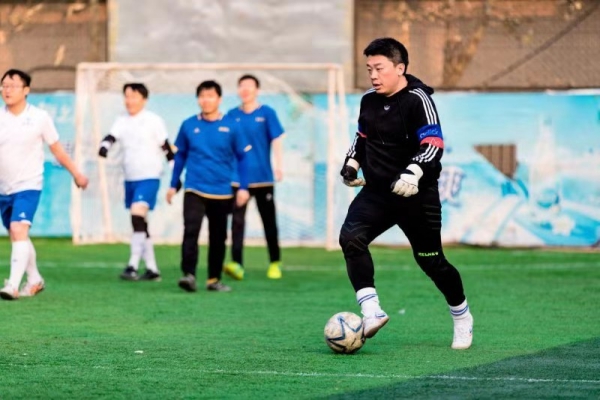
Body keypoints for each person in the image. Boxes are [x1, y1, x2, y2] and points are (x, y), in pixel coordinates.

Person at [339, 38, 474, 349]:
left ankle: (462, 315)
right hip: (377, 193)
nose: (373, 75)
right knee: (351, 238)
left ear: (399, 68)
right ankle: (371, 311)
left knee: (431, 261)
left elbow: (433, 144)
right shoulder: (368, 101)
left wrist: (413, 173)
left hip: (417, 196)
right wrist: (351, 164)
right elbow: (361, 138)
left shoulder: (418, 99)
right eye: (369, 69)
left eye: (379, 68)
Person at [0, 69, 89, 300]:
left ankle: (13, 285)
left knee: (19, 229)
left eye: (12, 86)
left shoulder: (40, 117)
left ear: (26, 90)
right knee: (16, 233)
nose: (7, 90)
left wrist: (76, 174)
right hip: (4, 187)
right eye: (4, 85)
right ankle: (35, 278)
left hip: (29, 184)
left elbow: (57, 149)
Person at [167, 80, 250, 293]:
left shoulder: (232, 126)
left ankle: (214, 279)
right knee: (191, 230)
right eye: (202, 96)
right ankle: (189, 275)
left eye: (210, 96)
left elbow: (243, 158)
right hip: (194, 188)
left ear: (219, 99)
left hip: (221, 191)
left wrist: (243, 187)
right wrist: (173, 184)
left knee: (218, 237)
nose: (206, 100)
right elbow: (180, 156)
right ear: (198, 99)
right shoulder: (188, 125)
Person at [98, 83, 173, 282]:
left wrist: (175, 175)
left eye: (134, 96)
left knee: (137, 214)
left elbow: (166, 147)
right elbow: (111, 137)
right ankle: (152, 268)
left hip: (150, 176)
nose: (129, 101)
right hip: (130, 177)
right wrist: (104, 146)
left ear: (144, 99)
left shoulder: (153, 120)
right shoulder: (121, 120)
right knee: (140, 222)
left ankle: (132, 265)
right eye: (127, 96)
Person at [224, 74, 285, 281]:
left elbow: (277, 140)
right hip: (238, 179)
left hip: (263, 178)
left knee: (269, 221)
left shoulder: (267, 113)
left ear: (257, 90)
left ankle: (275, 262)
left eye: (249, 86)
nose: (245, 90)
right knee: (237, 223)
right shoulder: (231, 115)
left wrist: (279, 165)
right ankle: (237, 264)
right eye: (242, 86)